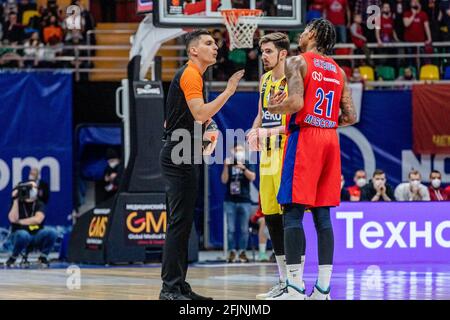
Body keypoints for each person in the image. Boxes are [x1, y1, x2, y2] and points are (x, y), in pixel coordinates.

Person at [266, 18, 357, 300]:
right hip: (330, 138)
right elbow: (351, 116)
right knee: (322, 215)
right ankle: (323, 290)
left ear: (314, 34)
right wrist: (325, 121)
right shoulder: (339, 71)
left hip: (305, 138)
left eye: (305, 31)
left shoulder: (298, 62)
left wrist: (272, 104)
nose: (301, 35)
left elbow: (295, 104)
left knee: (292, 212)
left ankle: (293, 287)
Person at [159, 29, 244, 300]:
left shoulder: (194, 76)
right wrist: (229, 91)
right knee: (178, 223)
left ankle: (179, 285)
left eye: (215, 43)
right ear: (193, 50)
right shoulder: (190, 74)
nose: (215, 47)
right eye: (208, 43)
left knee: (184, 225)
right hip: (178, 154)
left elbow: (182, 118)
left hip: (184, 150)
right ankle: (169, 289)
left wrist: (207, 129)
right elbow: (198, 112)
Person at [247, 32, 295, 300]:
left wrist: (267, 132)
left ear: (283, 53)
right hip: (266, 155)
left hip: (286, 152)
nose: (263, 56)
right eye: (262, 51)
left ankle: (295, 282)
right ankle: (283, 280)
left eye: (267, 51)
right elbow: (260, 114)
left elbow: (292, 122)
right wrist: (254, 130)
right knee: (271, 216)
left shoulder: (293, 80)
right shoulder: (265, 80)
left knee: (290, 216)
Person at [6, 181, 58, 267]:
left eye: (35, 187)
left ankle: (43, 257)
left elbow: (38, 220)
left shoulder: (39, 203)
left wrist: (19, 221)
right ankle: (13, 256)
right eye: (31, 188)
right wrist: (15, 199)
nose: (34, 190)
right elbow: (12, 219)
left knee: (52, 232)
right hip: (19, 234)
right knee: (23, 235)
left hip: (36, 234)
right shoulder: (18, 202)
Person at [221, 143, 256, 263]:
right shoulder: (229, 164)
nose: (239, 152)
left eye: (241, 150)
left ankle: (242, 252)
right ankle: (231, 252)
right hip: (230, 200)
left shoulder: (247, 162)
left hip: (245, 200)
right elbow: (224, 180)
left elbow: (252, 177)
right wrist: (225, 167)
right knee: (230, 229)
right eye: (237, 150)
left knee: (244, 229)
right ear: (232, 151)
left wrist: (243, 168)